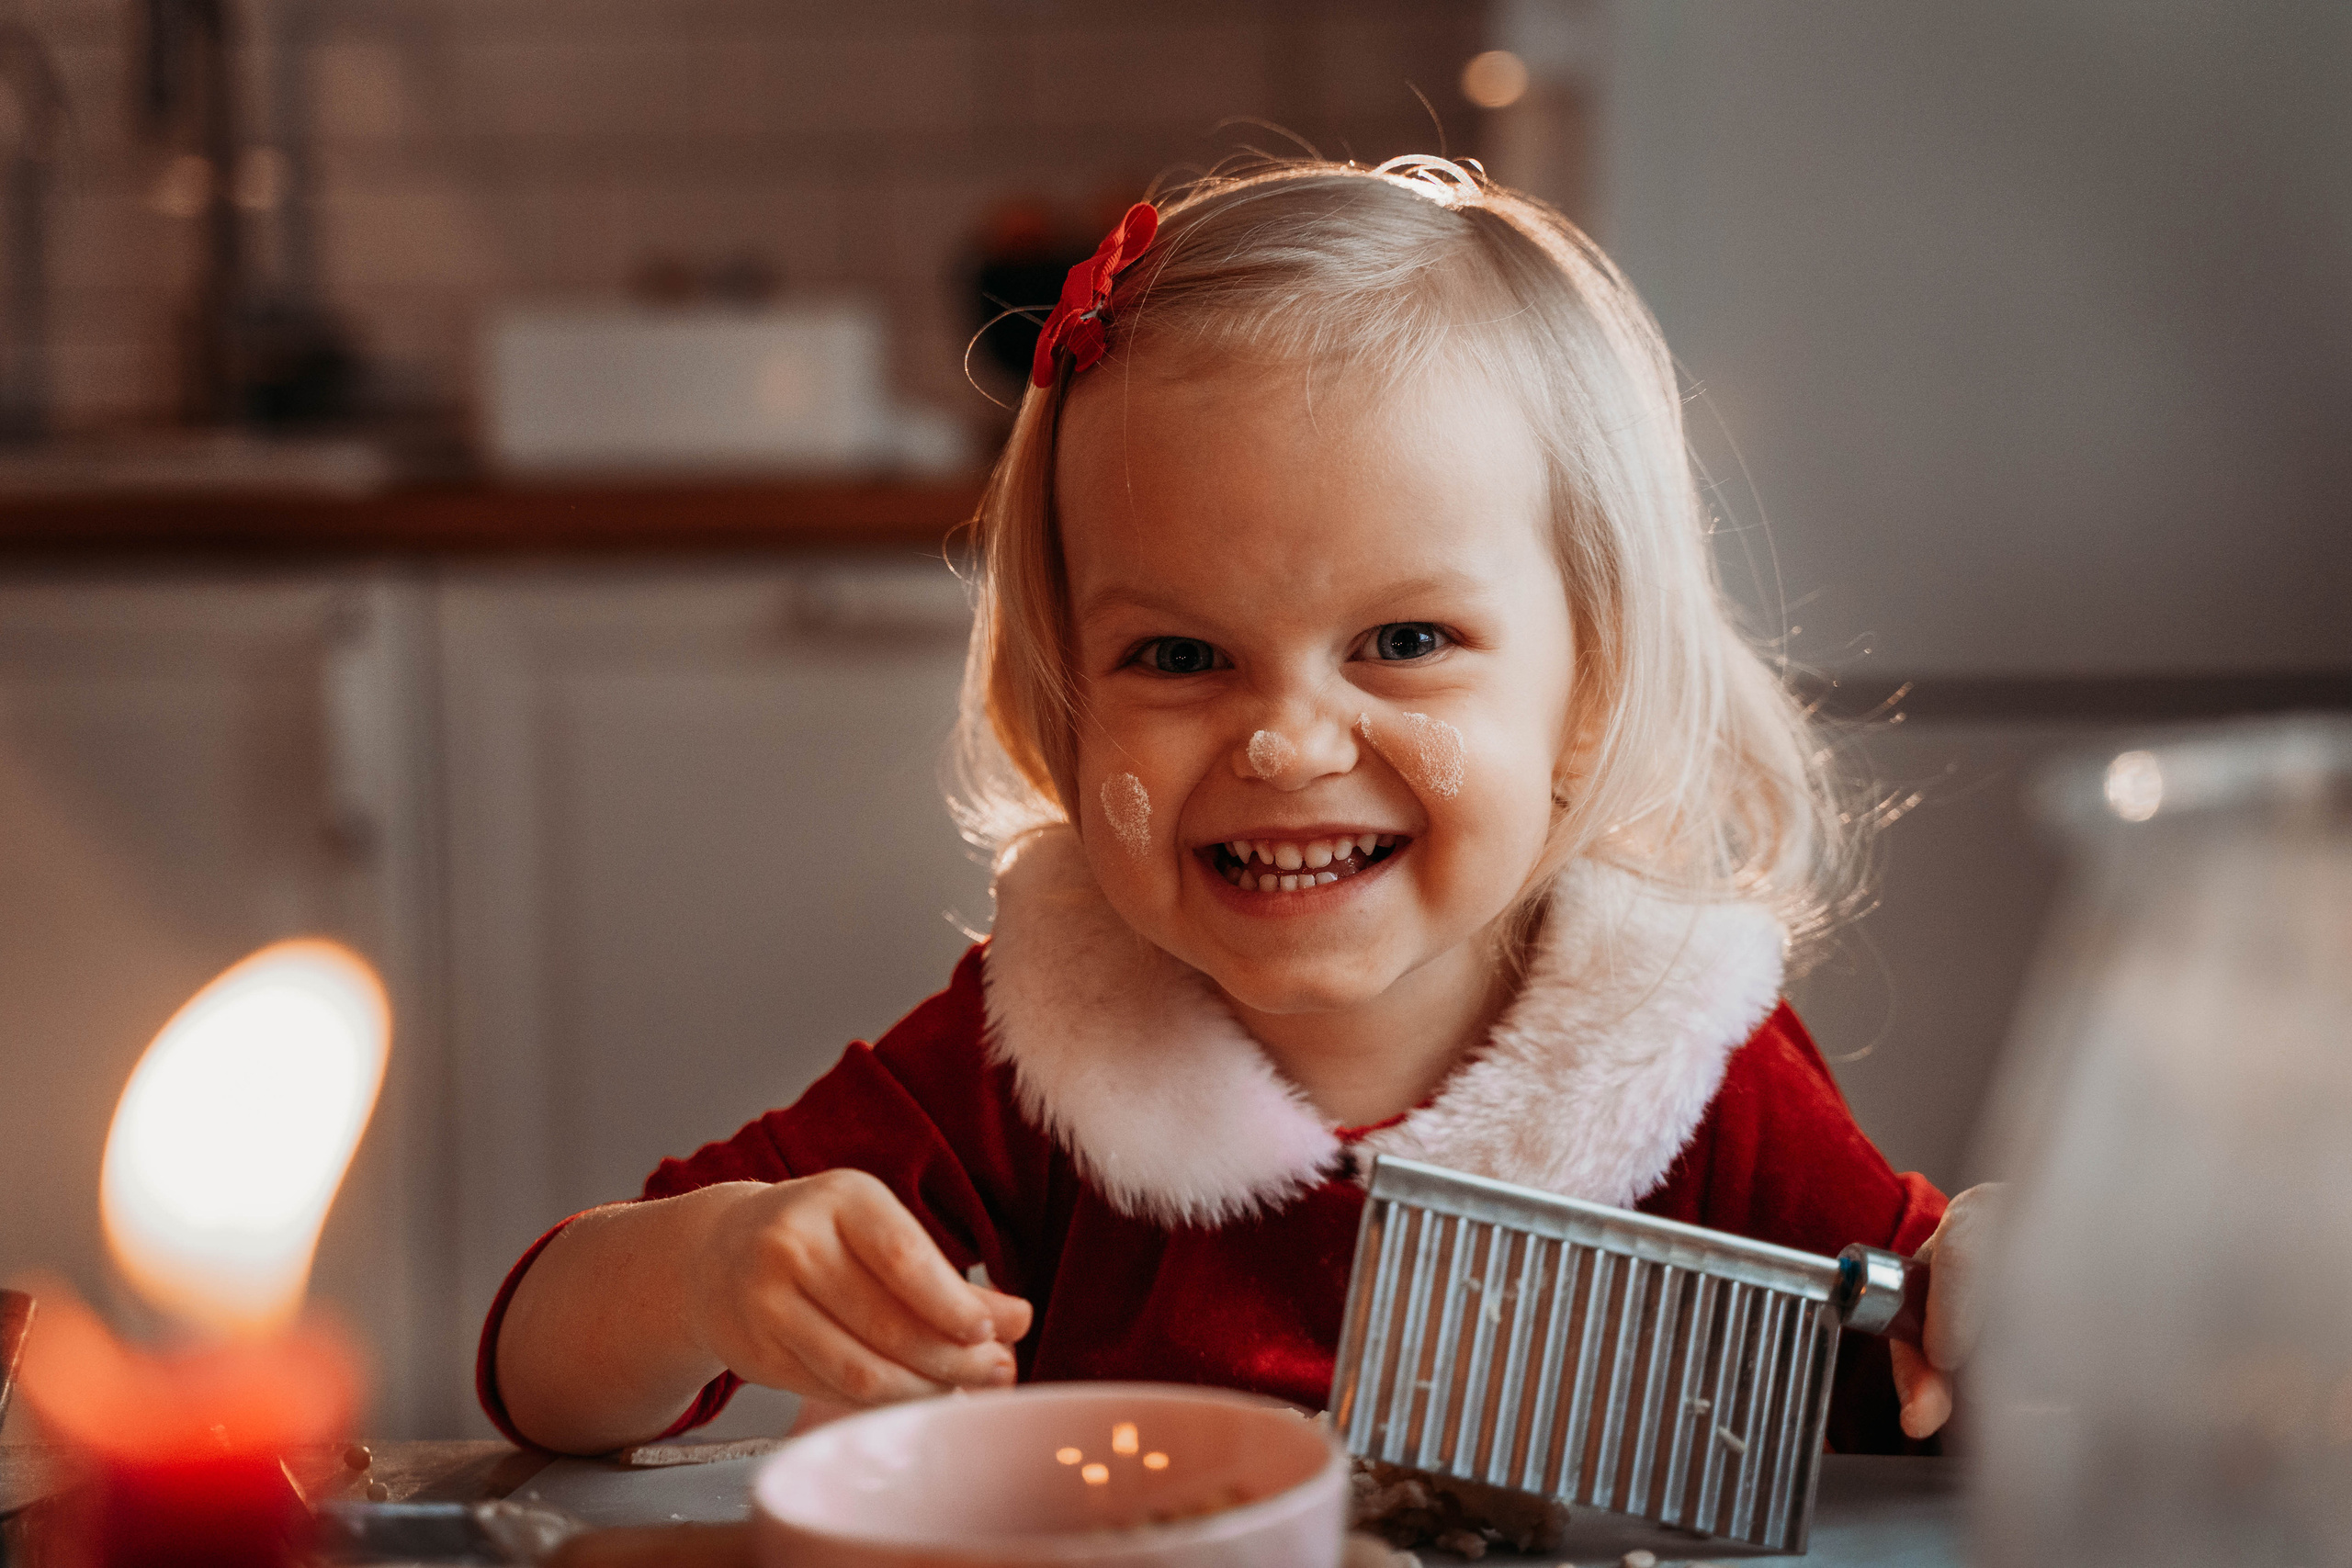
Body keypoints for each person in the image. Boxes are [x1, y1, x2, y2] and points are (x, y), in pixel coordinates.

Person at [481, 158, 1993, 1459]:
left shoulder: (1681, 1061)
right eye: (1179, 656)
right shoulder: (1030, 1063)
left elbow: (1939, 1392)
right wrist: (702, 1277)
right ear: (1064, 704)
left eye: (1404, 640)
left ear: (1589, 688)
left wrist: (2001, 1299)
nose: (1284, 743)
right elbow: (541, 1374)